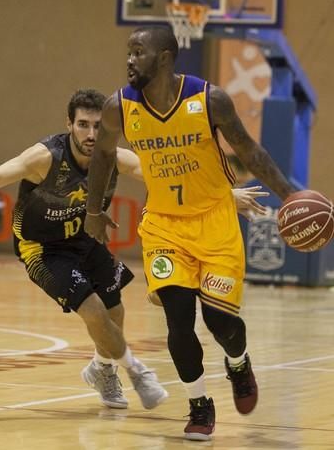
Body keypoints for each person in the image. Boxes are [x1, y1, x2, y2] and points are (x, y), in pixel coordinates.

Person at [0, 89, 266, 411]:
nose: (91, 133)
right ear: (69, 124)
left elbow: (164, 178)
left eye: (98, 126)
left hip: (85, 239)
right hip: (43, 248)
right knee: (93, 310)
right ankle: (137, 373)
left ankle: (102, 367)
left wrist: (223, 198)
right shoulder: (45, 158)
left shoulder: (113, 158)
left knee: (115, 309)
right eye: (83, 125)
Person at [84, 27, 294, 441]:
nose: (129, 60)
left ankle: (239, 363)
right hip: (164, 226)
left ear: (164, 58)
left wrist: (291, 194)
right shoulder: (119, 107)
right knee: (179, 321)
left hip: (215, 222)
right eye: (128, 52)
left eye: (138, 52)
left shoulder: (209, 100)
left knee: (220, 322)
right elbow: (105, 155)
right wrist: (94, 209)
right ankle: (199, 404)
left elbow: (250, 150)